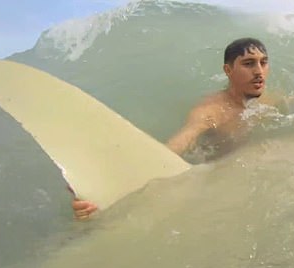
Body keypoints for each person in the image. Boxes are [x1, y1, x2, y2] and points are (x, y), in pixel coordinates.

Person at [72, 37, 273, 220]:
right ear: (228, 70)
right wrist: (108, 192)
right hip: (209, 178)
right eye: (249, 64)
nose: (259, 71)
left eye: (263, 63)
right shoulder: (210, 112)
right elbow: (171, 149)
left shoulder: (270, 100)